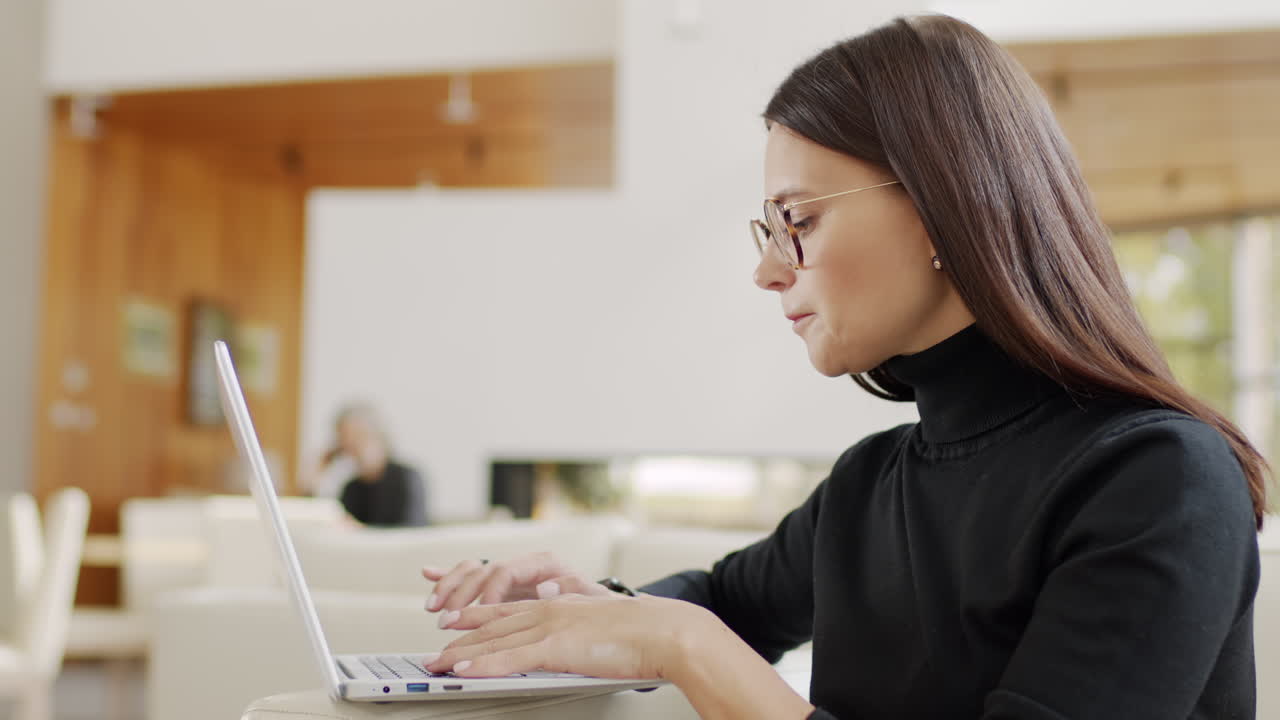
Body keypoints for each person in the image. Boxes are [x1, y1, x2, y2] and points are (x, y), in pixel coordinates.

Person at [418, 15, 1268, 719]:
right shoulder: (870, 484)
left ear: (943, 207)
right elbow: (727, 601)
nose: (767, 270)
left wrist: (677, 643)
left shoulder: (1158, 478)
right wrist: (584, 607)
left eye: (799, 220)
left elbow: (699, 632)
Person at [314, 404, 428, 527]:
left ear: (376, 435)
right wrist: (318, 475)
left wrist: (362, 530)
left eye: (357, 437)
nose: (349, 445)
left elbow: (411, 531)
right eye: (344, 440)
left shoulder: (406, 478)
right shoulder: (352, 488)